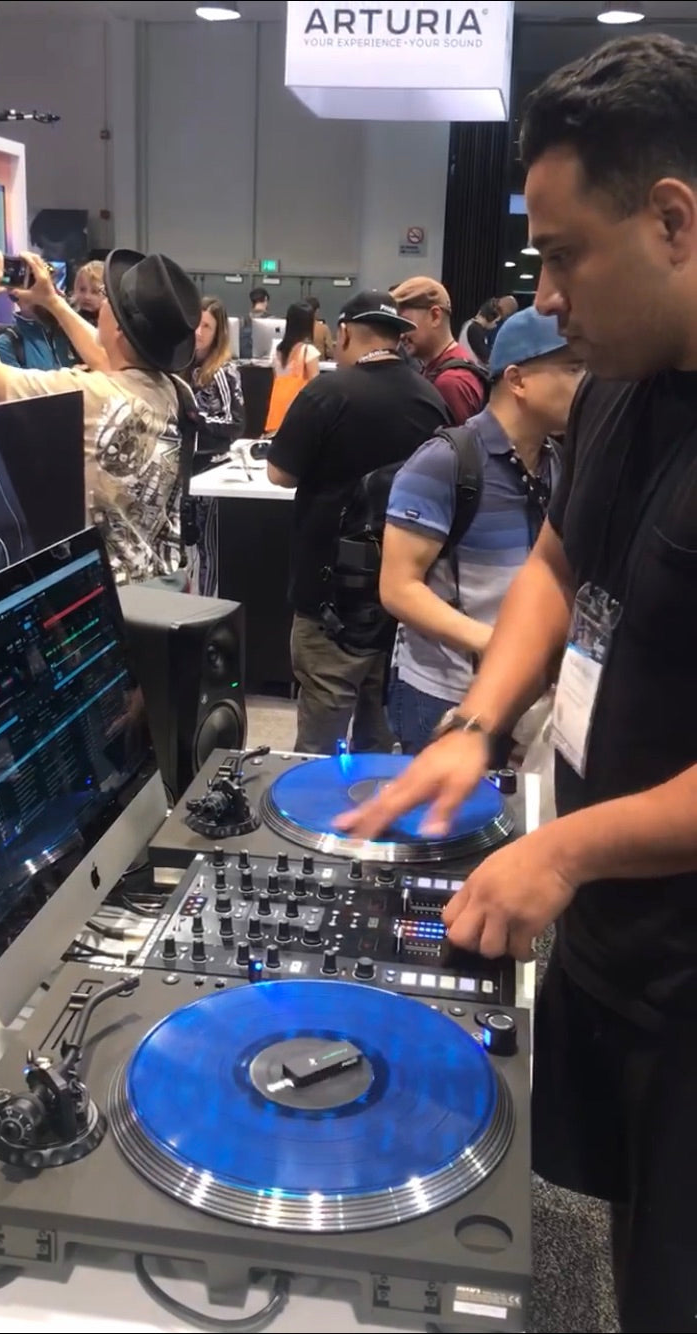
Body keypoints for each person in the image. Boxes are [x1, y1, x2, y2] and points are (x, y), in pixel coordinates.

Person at [337, 33, 697, 1334]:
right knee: (572, 1220)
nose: (540, 291)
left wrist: (572, 846)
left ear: (671, 219)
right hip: (606, 915)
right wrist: (476, 725)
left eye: (560, 254)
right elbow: (557, 557)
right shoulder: (614, 386)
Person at [383, 307, 581, 754]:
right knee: (443, 819)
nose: (586, 383)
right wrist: (498, 645)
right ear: (517, 380)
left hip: (527, 690)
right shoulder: (445, 462)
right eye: (572, 368)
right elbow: (398, 588)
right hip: (443, 692)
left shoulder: (556, 463)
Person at [267, 290, 448, 755]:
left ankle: (312, 821)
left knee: (317, 744)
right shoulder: (430, 398)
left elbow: (279, 473)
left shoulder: (327, 392)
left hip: (329, 604)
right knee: (379, 739)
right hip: (398, 599)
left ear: (344, 332)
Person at [0, 244, 200, 585]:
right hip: (164, 583)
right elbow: (112, 358)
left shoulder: (89, 394)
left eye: (108, 300)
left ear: (118, 327)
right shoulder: (177, 391)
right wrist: (53, 301)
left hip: (113, 597)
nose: (100, 304)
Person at [190, 295, 245, 596]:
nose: (198, 332)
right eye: (195, 324)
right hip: (186, 470)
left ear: (218, 332)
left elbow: (234, 424)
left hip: (209, 474)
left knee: (209, 552)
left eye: (206, 326)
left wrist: (195, 422)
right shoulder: (180, 366)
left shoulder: (223, 371)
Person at [392, 276, 486, 423]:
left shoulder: (451, 382)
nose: (401, 335)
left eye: (406, 323)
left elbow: (460, 445)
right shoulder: (438, 368)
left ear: (435, 316)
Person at [0, 285, 78, 372]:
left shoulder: (70, 332)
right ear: (15, 295)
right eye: (33, 287)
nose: (43, 294)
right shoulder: (5, 346)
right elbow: (18, 385)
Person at [273, 302, 320, 380]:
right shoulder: (308, 351)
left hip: (279, 391)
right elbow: (314, 384)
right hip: (300, 391)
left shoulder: (278, 350)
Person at [458, 298, 501, 365]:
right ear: (490, 317)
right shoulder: (475, 330)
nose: (495, 325)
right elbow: (486, 357)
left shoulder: (468, 324)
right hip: (472, 368)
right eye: (496, 322)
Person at [239, 285, 270, 358]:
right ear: (265, 299)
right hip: (264, 359)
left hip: (245, 359)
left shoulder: (242, 321)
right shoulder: (272, 321)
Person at [72, 259, 105, 325]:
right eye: (82, 289)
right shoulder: (70, 312)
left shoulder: (110, 324)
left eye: (95, 292)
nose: (87, 297)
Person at [308, 295, 334, 360]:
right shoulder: (323, 328)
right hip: (319, 365)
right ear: (317, 311)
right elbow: (330, 351)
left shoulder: (297, 327)